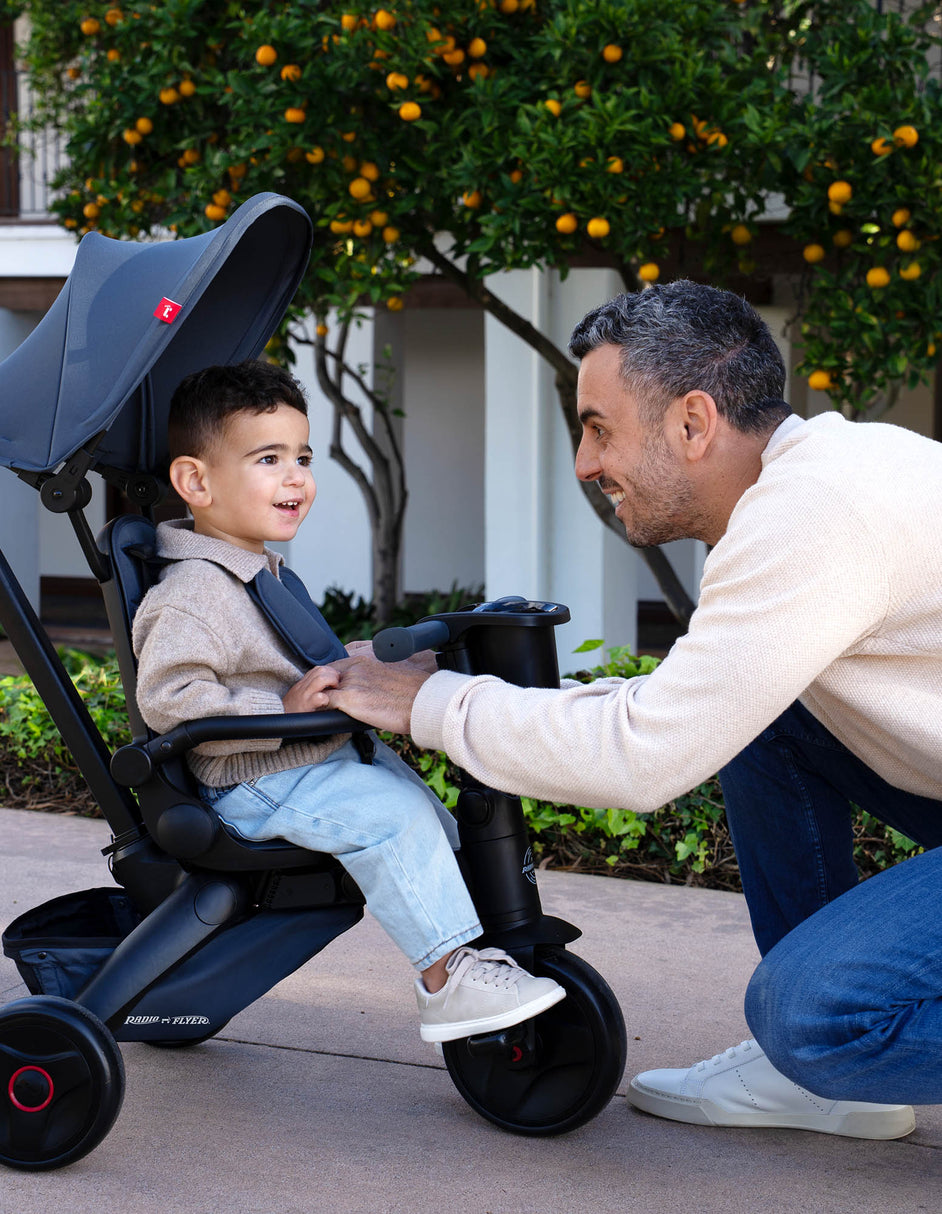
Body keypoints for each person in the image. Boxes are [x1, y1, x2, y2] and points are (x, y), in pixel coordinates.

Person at [328, 280, 942, 1140]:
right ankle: (817, 1089)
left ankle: (817, 1062)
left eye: (598, 428)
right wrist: (462, 694)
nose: (585, 464)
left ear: (693, 423)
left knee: (815, 1015)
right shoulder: (808, 485)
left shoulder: (815, 515)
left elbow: (644, 753)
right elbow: (685, 706)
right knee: (765, 716)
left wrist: (432, 705)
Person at [131, 359, 566, 1043]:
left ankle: (481, 949)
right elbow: (172, 702)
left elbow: (298, 662)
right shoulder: (190, 592)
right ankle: (448, 980)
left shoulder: (259, 570)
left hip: (309, 759)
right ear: (196, 481)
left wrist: (370, 665)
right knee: (392, 818)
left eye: (302, 456)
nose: (297, 476)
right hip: (252, 781)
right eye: (269, 458)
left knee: (432, 818)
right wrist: (281, 710)